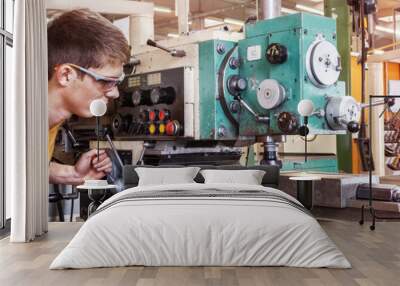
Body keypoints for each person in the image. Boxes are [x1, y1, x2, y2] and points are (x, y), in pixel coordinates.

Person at [47, 9, 130, 185]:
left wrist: (73, 175)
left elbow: (24, 165)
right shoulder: (12, 123)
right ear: (66, 75)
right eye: (106, 81)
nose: (114, 93)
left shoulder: (51, 121)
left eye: (117, 82)